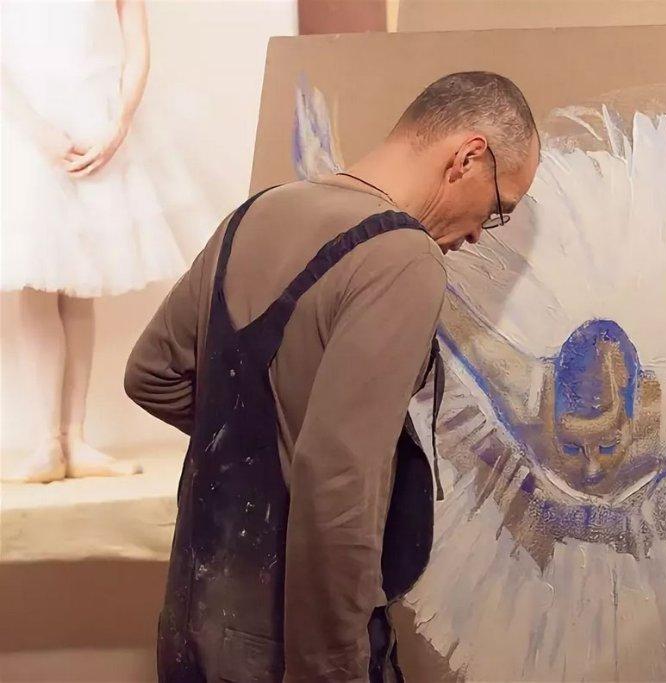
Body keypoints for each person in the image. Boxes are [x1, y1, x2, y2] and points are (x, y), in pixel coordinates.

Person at [124, 71, 540, 682]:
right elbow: (338, 481)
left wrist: (265, 451)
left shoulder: (257, 212)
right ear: (468, 157)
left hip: (192, 625)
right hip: (290, 645)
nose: (480, 233)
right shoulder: (401, 256)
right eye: (498, 209)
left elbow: (151, 374)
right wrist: (334, 668)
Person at [1, 0, 184, 483]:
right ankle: (47, 442)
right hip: (23, 120)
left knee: (82, 281)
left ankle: (74, 440)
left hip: (93, 118)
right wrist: (36, 130)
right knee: (38, 278)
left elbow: (137, 44)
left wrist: (119, 123)